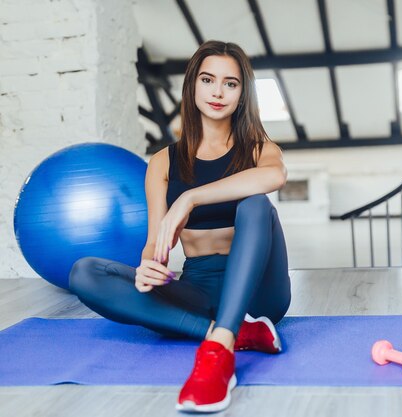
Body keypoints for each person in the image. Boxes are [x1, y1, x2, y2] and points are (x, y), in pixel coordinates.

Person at [69, 40, 292, 413]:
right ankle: (235, 333)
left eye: (231, 83)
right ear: (192, 86)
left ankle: (219, 348)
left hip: (260, 292)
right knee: (85, 272)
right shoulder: (162, 162)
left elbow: (275, 176)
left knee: (256, 204)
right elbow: (154, 242)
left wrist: (190, 198)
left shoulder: (258, 148)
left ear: (241, 94)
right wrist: (149, 268)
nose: (218, 92)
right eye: (208, 80)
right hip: (199, 288)